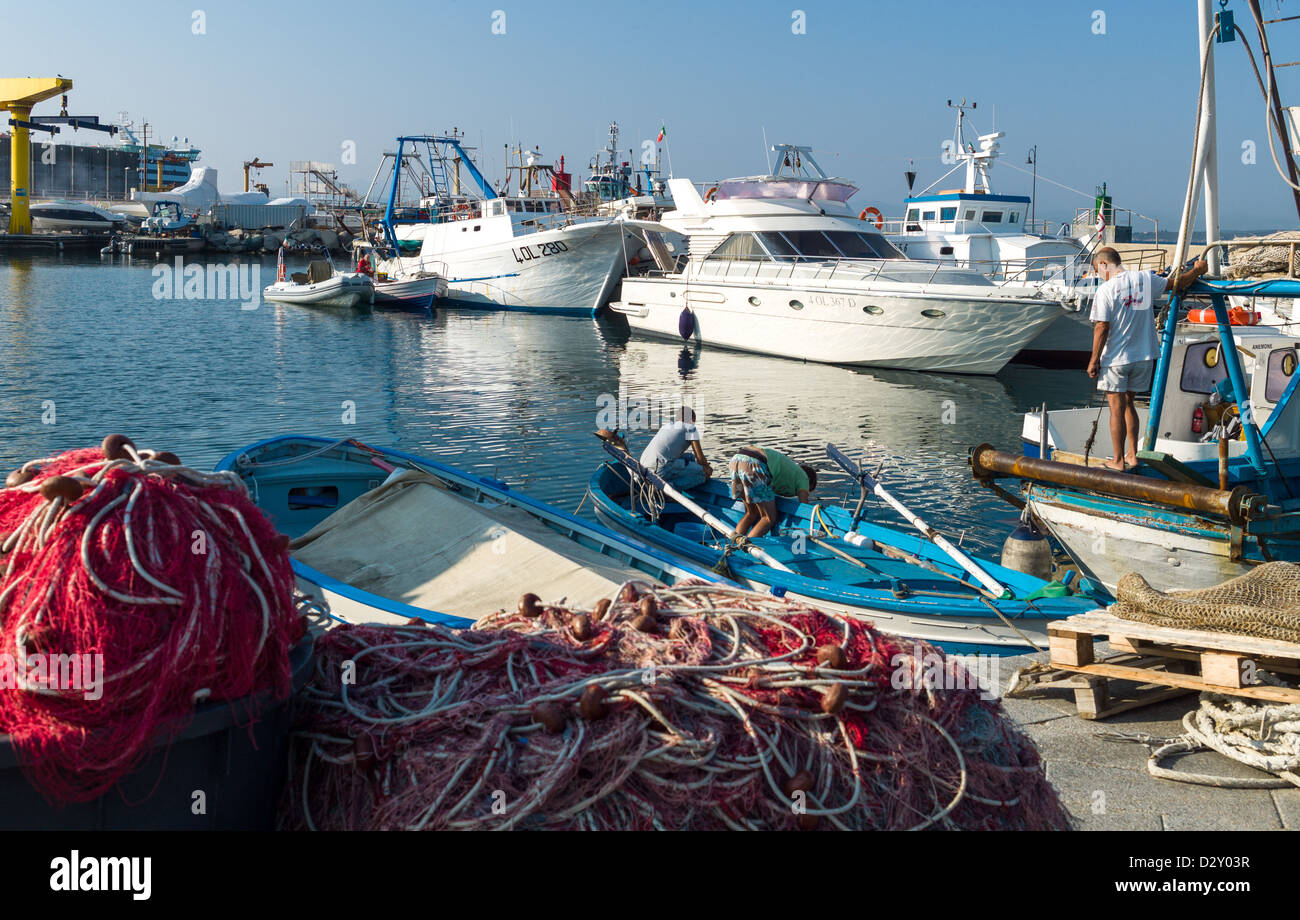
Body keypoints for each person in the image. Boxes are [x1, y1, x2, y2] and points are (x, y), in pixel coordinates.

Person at [1087, 247, 1207, 470]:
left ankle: (1118, 460)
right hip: (1143, 356)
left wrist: (1094, 360)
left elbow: (1102, 327)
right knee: (1129, 404)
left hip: (1116, 359)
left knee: (1116, 408)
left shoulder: (1106, 290)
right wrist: (1197, 271)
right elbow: (1178, 283)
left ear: (1104, 265)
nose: (1098, 275)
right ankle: (1132, 456)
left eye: (1097, 270)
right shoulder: (1145, 279)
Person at [727, 446, 818, 538]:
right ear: (810, 481)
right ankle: (747, 547)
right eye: (808, 489)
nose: (806, 490)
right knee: (768, 518)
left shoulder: (789, 473)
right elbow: (804, 505)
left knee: (751, 513)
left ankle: (734, 545)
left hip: (737, 459)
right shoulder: (804, 478)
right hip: (755, 463)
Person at [639, 407, 712, 490]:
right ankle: (670, 488)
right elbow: (700, 460)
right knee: (704, 473)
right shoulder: (690, 428)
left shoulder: (667, 426)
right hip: (659, 470)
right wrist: (707, 468)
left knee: (690, 457)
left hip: (642, 468)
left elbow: (674, 454)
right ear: (692, 420)